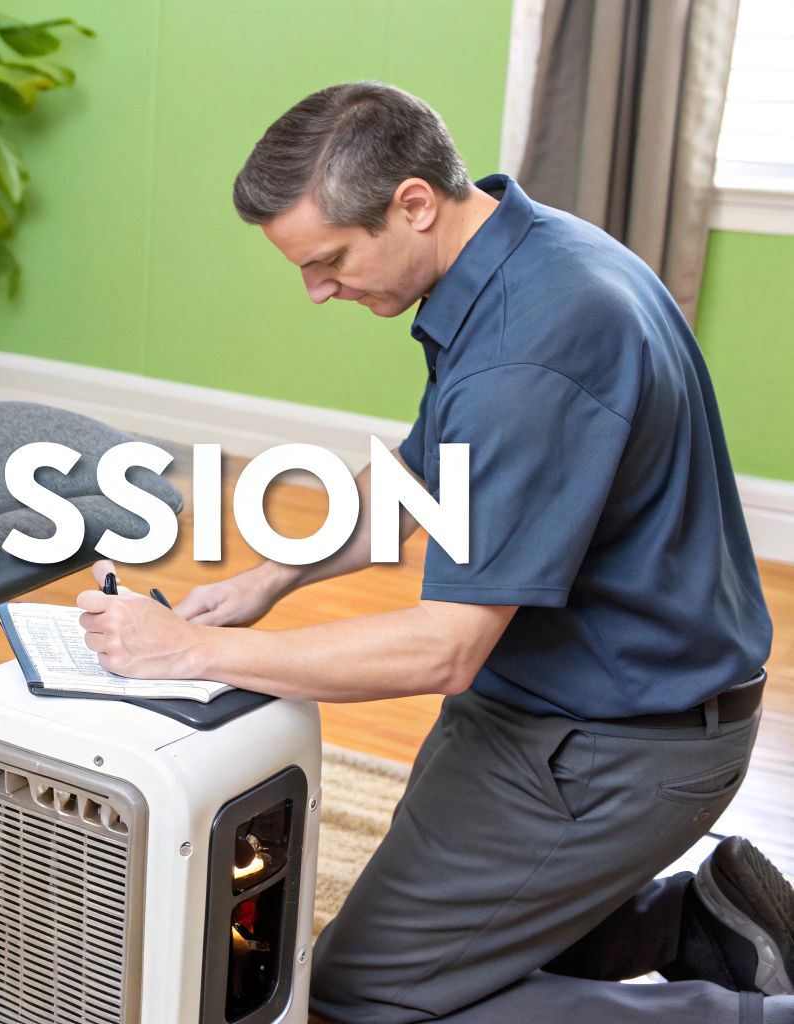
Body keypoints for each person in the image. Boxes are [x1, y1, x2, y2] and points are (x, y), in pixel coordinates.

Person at [74, 81, 790, 1023]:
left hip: (615, 743)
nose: (317, 289)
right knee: (436, 937)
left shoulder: (526, 355)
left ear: (413, 203)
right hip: (581, 700)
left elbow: (441, 646)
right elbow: (423, 479)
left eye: (329, 259)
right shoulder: (524, 258)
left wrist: (190, 653)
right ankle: (691, 923)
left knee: (364, 996)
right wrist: (268, 578)